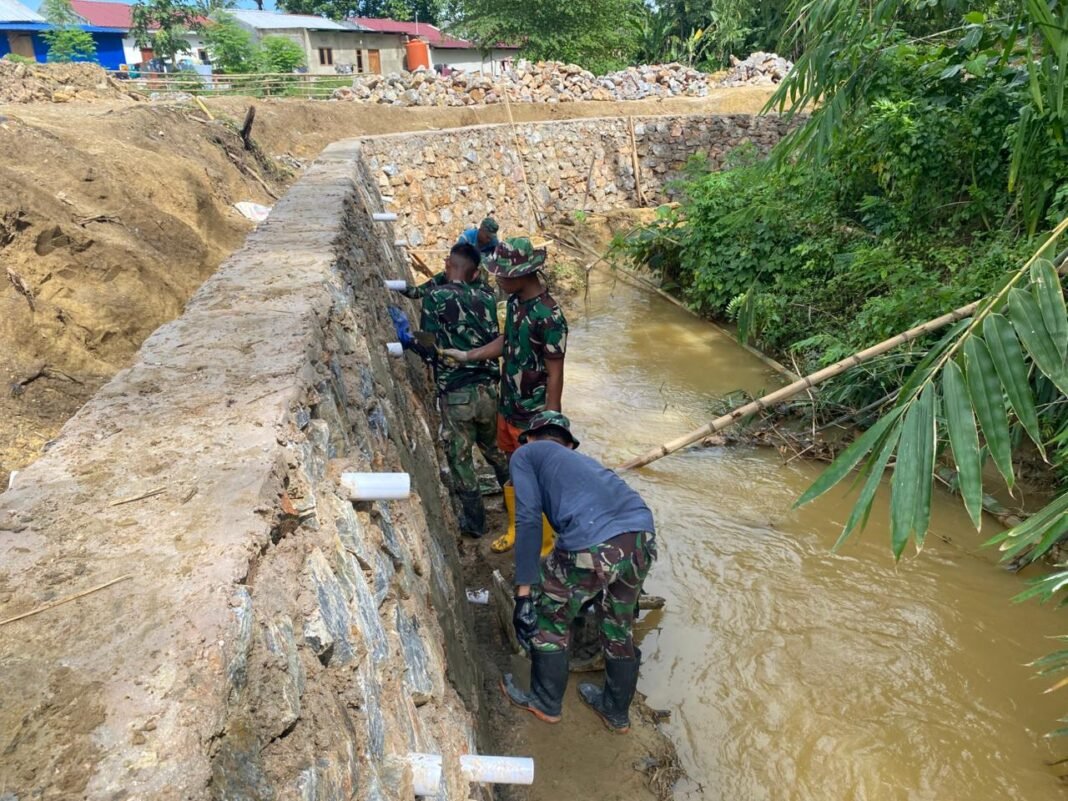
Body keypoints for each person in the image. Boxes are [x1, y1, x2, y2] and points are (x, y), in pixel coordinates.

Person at [498, 411, 657, 733]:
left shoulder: (526, 453)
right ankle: (615, 712)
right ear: (568, 444)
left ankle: (545, 703)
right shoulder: (585, 464)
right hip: (642, 535)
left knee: (548, 616)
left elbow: (528, 519)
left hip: (592, 542)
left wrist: (524, 593)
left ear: (528, 436)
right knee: (618, 625)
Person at [441, 237, 568, 554]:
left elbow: (556, 372)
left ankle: (544, 542)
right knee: (514, 471)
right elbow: (505, 342)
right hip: (508, 406)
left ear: (523, 274)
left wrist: (551, 423)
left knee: (538, 479)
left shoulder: (549, 316)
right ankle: (516, 528)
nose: (496, 278)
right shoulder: (514, 305)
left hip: (534, 415)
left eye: (502, 273)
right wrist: (468, 355)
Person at [417, 242, 510, 537]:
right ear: (475, 272)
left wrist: (414, 344)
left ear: (447, 266)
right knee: (496, 451)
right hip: (489, 389)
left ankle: (476, 524)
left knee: (461, 459)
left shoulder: (435, 296)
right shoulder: (487, 294)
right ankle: (517, 509)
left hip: (457, 394)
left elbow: (427, 346)